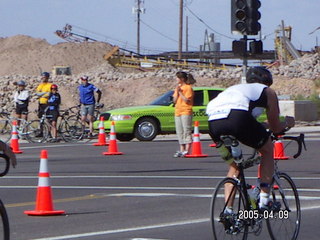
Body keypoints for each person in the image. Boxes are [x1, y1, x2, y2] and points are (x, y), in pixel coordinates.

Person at [206, 66, 295, 211]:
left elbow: (248, 120)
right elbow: (275, 127)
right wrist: (287, 123)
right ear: (267, 81)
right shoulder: (268, 91)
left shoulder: (237, 89)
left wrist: (264, 126)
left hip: (214, 123)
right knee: (267, 150)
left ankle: (229, 212)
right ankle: (264, 201)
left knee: (235, 165)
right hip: (238, 118)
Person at [172, 71, 196, 157]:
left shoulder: (188, 88)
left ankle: (187, 149)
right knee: (179, 131)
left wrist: (180, 93)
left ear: (182, 79)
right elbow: (174, 101)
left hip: (186, 110)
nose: (176, 79)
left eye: (177, 78)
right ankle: (181, 149)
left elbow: (187, 100)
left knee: (186, 130)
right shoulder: (178, 88)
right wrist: (177, 92)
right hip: (178, 111)